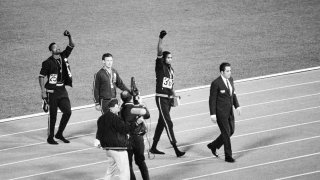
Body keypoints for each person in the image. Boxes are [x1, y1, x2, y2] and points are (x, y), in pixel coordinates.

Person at [149, 30, 185, 157]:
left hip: (168, 99)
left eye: (171, 57)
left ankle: (153, 147)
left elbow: (171, 84)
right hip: (161, 98)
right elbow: (159, 50)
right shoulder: (160, 66)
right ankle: (176, 149)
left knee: (161, 122)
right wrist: (160, 38)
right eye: (168, 57)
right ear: (163, 58)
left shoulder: (171, 70)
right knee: (168, 122)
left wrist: (174, 96)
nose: (170, 59)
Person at [39, 30, 75, 145]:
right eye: (55, 47)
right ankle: (50, 137)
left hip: (62, 89)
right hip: (52, 91)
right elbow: (41, 77)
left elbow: (71, 45)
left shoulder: (63, 56)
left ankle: (59, 133)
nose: (58, 48)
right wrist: (43, 91)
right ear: (51, 51)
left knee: (68, 112)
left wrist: (69, 36)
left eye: (58, 46)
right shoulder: (47, 63)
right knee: (53, 115)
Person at [95, 98, 144, 180]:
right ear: (112, 107)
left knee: (110, 171)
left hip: (108, 150)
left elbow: (99, 133)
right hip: (118, 149)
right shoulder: (115, 118)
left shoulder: (101, 118)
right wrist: (136, 123)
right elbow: (125, 129)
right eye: (117, 105)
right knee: (124, 172)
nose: (119, 107)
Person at [208, 62, 241, 163]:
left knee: (231, 131)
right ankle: (228, 156)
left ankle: (213, 145)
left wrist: (237, 106)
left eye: (230, 70)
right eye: (227, 71)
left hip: (229, 111)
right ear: (222, 72)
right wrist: (212, 114)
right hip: (220, 113)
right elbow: (212, 100)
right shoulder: (216, 83)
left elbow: (233, 94)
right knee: (226, 133)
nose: (229, 73)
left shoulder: (230, 79)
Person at [120, 91, 150, 180]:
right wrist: (140, 103)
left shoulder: (122, 109)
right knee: (141, 162)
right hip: (138, 138)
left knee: (128, 164)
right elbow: (147, 115)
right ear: (131, 97)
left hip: (127, 139)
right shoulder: (136, 107)